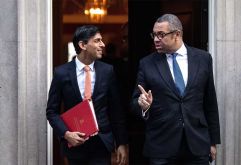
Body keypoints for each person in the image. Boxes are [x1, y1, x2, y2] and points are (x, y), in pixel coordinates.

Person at [131, 14, 220, 165]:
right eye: (154, 34)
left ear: (177, 34)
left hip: (197, 144)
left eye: (161, 34)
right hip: (162, 145)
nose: (155, 39)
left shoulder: (203, 59)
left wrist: (213, 141)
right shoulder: (147, 63)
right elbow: (134, 102)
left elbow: (210, 101)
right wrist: (142, 105)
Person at [46, 25, 128, 165]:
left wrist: (121, 143)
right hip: (75, 144)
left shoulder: (107, 71)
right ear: (83, 45)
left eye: (101, 40)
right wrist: (66, 134)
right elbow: (51, 112)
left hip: (102, 144)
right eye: (97, 41)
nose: (102, 45)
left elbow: (116, 110)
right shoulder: (61, 73)